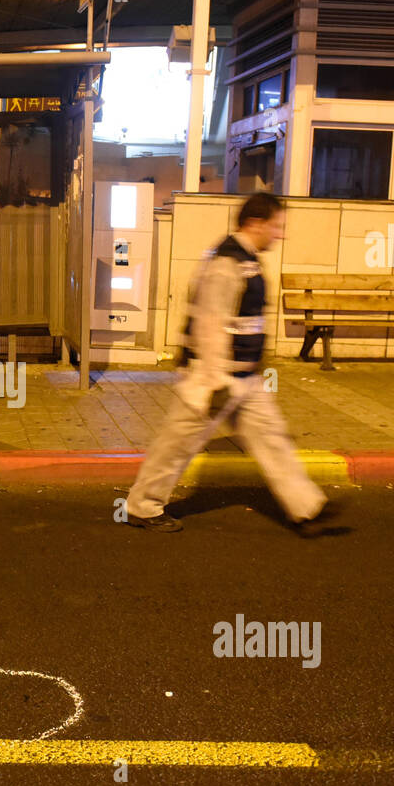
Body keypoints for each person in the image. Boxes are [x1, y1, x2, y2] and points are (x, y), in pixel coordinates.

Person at [125, 192, 338, 537]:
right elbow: (211, 321)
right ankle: (142, 508)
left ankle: (306, 506)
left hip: (244, 378)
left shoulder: (245, 259)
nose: (280, 234)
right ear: (255, 223)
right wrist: (213, 379)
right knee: (176, 445)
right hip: (215, 380)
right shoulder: (228, 262)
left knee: (272, 438)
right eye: (276, 226)